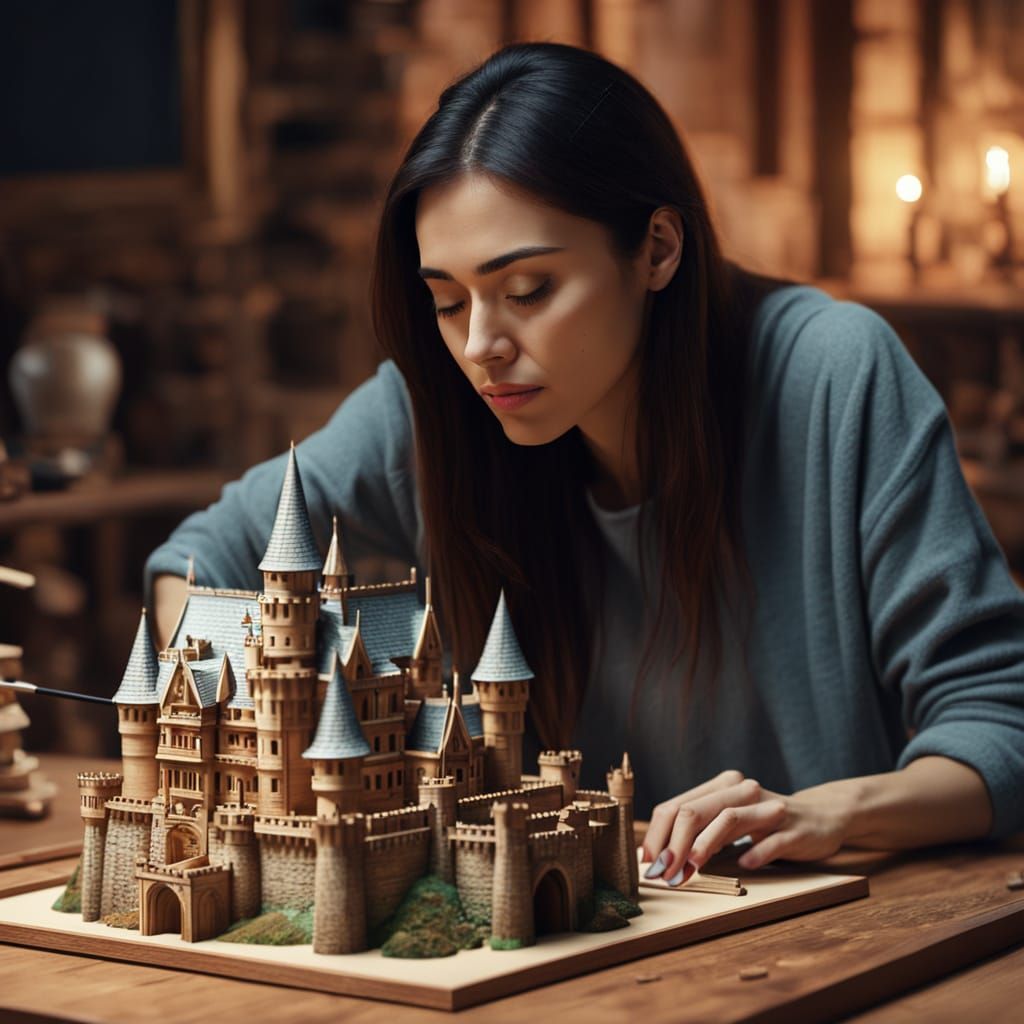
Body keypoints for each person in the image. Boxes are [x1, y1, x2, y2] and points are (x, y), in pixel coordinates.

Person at [147, 42, 1024, 889]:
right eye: (447, 301)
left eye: (527, 291)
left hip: (813, 938)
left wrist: (835, 811)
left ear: (658, 250)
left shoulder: (834, 376)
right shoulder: (435, 408)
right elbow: (203, 556)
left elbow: (1002, 724)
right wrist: (244, 721)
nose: (482, 346)